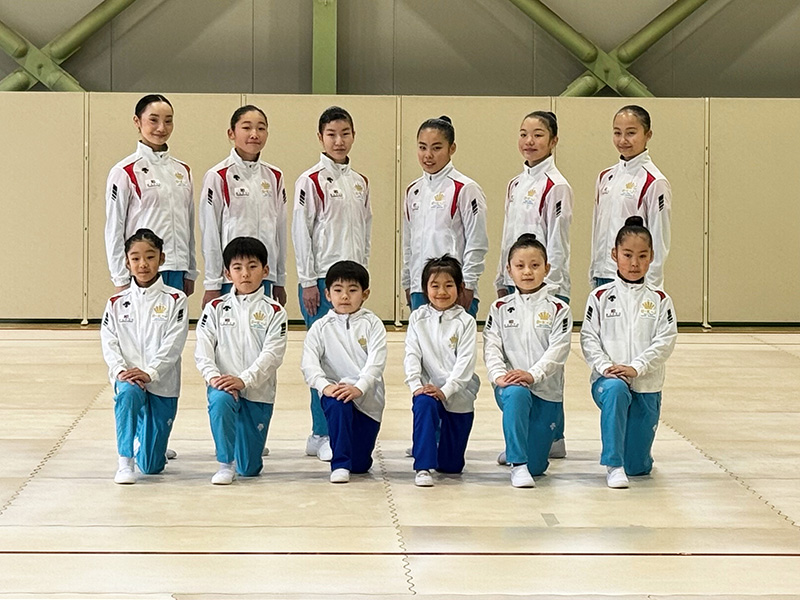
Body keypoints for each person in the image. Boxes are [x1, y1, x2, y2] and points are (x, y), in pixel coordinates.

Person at [292, 106, 372, 462]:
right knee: (322, 360)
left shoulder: (360, 182)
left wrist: (362, 277)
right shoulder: (309, 181)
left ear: (353, 135)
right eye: (331, 134)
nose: (339, 141)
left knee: (351, 359)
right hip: (323, 281)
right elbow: (302, 232)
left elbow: (366, 231)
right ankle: (320, 432)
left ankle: (344, 427)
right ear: (320, 137)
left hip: (352, 281)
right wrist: (308, 281)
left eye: (345, 133)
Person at [495, 110, 573, 461]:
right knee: (517, 357)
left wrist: (549, 287)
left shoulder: (557, 186)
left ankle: (554, 434)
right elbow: (507, 237)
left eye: (538, 135)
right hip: (517, 283)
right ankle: (521, 432)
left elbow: (558, 241)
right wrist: (503, 278)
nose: (529, 141)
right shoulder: (515, 184)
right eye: (524, 133)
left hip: (546, 286)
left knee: (548, 363)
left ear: (553, 141)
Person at [580, 216, 677, 488]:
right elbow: (588, 338)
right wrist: (605, 368)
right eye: (627, 255)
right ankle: (613, 464)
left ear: (651, 257)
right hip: (608, 381)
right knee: (616, 390)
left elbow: (665, 340)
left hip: (647, 386)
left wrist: (637, 367)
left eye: (642, 256)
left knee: (638, 468)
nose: (634, 263)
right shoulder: (600, 296)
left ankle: (635, 457)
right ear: (614, 255)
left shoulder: (660, 299)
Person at [195, 237, 288, 485]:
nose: (245, 274)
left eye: (252, 266)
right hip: (223, 387)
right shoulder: (215, 307)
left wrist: (244, 380)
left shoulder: (275, 311)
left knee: (249, 469)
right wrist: (214, 378)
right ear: (228, 273)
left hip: (257, 392)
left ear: (265, 271)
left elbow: (272, 355)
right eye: (237, 268)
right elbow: (203, 349)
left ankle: (249, 446)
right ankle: (225, 463)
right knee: (220, 400)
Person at [483, 234, 572, 488]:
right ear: (509, 270)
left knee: (538, 468)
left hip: (546, 392)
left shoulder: (559, 309)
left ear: (547, 268)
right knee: (517, 394)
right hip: (511, 387)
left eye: (534, 265)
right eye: (520, 266)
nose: (527, 272)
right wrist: (499, 376)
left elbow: (558, 351)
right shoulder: (499, 307)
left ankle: (523, 452)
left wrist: (533, 374)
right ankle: (517, 462)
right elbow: (491, 347)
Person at [100, 229, 189, 484]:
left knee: (151, 467)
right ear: (127, 262)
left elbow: (174, 343)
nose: (143, 264)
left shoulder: (176, 299)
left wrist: (151, 372)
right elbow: (109, 341)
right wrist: (121, 371)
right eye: (136, 258)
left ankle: (153, 445)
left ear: (162, 258)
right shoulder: (116, 302)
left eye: (150, 257)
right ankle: (125, 461)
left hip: (162, 383)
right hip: (129, 380)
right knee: (127, 395)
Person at [300, 261, 386, 484]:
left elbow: (376, 363)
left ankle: (348, 454)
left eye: (352, 290)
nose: (345, 296)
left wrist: (359, 388)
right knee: (338, 404)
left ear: (365, 294)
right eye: (338, 290)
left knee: (360, 465)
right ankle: (339, 464)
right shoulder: (319, 327)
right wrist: (325, 387)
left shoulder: (373, 324)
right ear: (327, 294)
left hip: (367, 400)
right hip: (335, 394)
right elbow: (309, 364)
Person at [104, 94, 196, 295]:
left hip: (177, 269)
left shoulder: (182, 170)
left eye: (168, 121)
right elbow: (114, 228)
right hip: (142, 270)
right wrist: (120, 277)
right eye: (153, 120)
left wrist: (190, 270)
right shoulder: (124, 171)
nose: (161, 128)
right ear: (137, 121)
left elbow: (188, 224)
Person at [199, 105, 287, 308]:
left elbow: (279, 230)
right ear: (231, 133)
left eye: (261, 128)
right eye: (246, 128)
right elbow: (210, 232)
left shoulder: (274, 176)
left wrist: (279, 279)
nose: (254, 134)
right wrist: (212, 283)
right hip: (231, 277)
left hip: (264, 275)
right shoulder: (218, 176)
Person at [402, 116, 488, 317]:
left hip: (453, 287)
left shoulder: (465, 188)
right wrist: (408, 282)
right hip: (420, 288)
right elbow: (408, 243)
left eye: (436, 148)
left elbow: (477, 241)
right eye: (422, 147)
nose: (428, 155)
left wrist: (468, 284)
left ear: (452, 148)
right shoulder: (413, 190)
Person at [404, 255, 479, 487]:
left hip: (458, 395)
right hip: (427, 389)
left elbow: (465, 364)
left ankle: (437, 445)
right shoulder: (418, 318)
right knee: (424, 404)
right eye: (435, 286)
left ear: (460, 287)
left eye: (449, 285)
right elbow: (412, 354)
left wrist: (446, 391)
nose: (441, 292)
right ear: (425, 289)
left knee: (451, 466)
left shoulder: (466, 322)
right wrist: (416, 386)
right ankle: (422, 466)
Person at [590, 105, 671, 289]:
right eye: (617, 133)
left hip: (634, 279)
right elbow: (597, 228)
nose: (623, 140)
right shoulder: (605, 177)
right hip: (602, 276)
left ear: (648, 135)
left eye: (631, 133)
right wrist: (593, 272)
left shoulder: (654, 181)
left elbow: (659, 240)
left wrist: (651, 288)